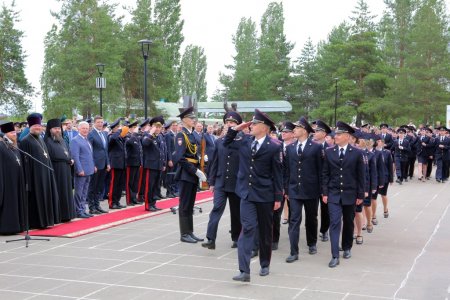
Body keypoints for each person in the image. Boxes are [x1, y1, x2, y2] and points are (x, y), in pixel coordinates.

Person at [226, 109, 283, 282]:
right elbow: (226, 142)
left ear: (264, 128)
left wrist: (278, 197)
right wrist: (236, 128)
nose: (251, 125)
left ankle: (265, 264)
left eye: (255, 123)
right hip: (246, 193)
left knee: (265, 231)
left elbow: (278, 173)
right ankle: (244, 270)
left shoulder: (274, 147)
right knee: (248, 227)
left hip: (265, 194)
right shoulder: (244, 140)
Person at [322, 121, 365, 268]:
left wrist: (360, 195)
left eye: (339, 134)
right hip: (333, 193)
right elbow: (325, 174)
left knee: (348, 221)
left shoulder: (357, 153)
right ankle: (334, 255)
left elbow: (361, 176)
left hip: (350, 193)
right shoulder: (329, 152)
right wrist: (325, 192)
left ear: (347, 136)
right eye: (336, 134)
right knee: (334, 222)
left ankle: (347, 247)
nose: (336, 136)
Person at [284, 117, 323, 263]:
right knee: (294, 220)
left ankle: (311, 243)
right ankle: (294, 251)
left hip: (311, 189)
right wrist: (286, 188)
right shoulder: (290, 148)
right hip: (294, 189)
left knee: (311, 218)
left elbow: (321, 170)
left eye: (297, 128)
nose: (294, 130)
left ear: (304, 130)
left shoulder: (316, 147)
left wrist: (321, 189)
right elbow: (286, 170)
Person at [202, 111, 243, 250]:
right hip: (220, 181)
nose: (229, 125)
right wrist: (211, 182)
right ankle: (210, 238)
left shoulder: (242, 141)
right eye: (227, 122)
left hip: (235, 182)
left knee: (236, 212)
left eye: (232, 123)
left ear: (238, 125)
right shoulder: (219, 141)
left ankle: (236, 238)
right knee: (216, 208)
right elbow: (214, 162)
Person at [20, 113, 60, 228]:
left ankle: (47, 221)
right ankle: (38, 222)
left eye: (39, 125)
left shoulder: (41, 139)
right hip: (35, 176)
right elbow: (25, 162)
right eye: (35, 126)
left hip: (46, 173)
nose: (38, 127)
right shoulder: (25, 141)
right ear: (30, 126)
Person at [173, 106, 206, 243]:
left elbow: (195, 152)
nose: (193, 120)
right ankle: (184, 234)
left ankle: (190, 232)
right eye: (191, 118)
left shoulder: (192, 134)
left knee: (190, 204)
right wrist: (195, 171)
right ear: (184, 120)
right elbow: (179, 158)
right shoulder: (181, 135)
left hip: (192, 173)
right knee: (185, 204)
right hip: (186, 174)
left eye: (194, 118)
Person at [44, 118, 76, 222]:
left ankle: (68, 215)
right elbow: (52, 156)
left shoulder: (61, 140)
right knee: (60, 192)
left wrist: (70, 159)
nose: (57, 130)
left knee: (67, 191)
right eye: (55, 128)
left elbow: (66, 151)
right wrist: (67, 159)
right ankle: (60, 215)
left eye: (59, 128)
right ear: (50, 130)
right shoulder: (47, 141)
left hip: (65, 169)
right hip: (56, 170)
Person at [0, 122, 26, 234]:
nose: (15, 134)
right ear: (5, 134)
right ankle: (8, 227)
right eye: (12, 132)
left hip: (17, 179)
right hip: (7, 180)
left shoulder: (15, 146)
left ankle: (18, 226)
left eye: (15, 132)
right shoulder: (1, 146)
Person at [70, 121, 96, 218]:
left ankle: (83, 209)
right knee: (78, 192)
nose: (85, 130)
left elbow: (90, 155)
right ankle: (78, 211)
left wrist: (93, 166)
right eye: (83, 128)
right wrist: (79, 169)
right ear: (79, 129)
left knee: (85, 192)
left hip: (89, 170)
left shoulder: (86, 139)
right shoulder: (75, 140)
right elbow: (75, 157)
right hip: (81, 171)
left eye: (87, 128)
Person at [312, 119, 332, 242]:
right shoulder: (310, 146)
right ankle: (312, 231)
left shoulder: (330, 148)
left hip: (325, 183)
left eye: (318, 130)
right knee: (312, 210)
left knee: (325, 210)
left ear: (324, 134)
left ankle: (324, 230)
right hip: (312, 183)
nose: (315, 132)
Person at [141, 116, 167, 211]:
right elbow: (145, 143)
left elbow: (163, 151)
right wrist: (151, 133)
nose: (158, 129)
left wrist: (164, 164)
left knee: (156, 185)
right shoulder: (147, 135)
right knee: (149, 185)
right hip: (150, 165)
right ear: (152, 127)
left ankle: (153, 203)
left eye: (159, 127)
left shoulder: (160, 137)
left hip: (158, 165)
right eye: (156, 126)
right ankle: (148, 204)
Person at [87, 116, 110, 214]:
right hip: (96, 165)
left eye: (101, 122)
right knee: (93, 186)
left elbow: (106, 150)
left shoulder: (104, 134)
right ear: (94, 123)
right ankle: (92, 207)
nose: (100, 124)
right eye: (98, 122)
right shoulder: (91, 134)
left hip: (104, 164)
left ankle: (97, 205)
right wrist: (93, 164)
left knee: (99, 186)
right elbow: (89, 151)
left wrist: (108, 163)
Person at [108, 119, 128, 209]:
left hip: (122, 164)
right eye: (118, 127)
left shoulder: (120, 138)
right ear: (114, 128)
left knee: (120, 184)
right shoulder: (112, 136)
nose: (120, 129)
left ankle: (117, 201)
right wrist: (120, 130)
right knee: (114, 184)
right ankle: (112, 202)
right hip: (115, 164)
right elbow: (113, 139)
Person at [125, 121, 142, 206]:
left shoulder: (136, 137)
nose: (137, 130)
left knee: (135, 181)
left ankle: (134, 198)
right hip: (130, 163)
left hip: (137, 163)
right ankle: (129, 200)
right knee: (130, 182)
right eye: (135, 128)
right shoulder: (128, 136)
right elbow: (129, 143)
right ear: (131, 128)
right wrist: (134, 134)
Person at [163, 121, 178, 198]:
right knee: (169, 175)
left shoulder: (177, 135)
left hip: (176, 158)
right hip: (171, 159)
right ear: (171, 126)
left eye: (176, 125)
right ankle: (168, 192)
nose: (175, 127)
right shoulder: (168, 135)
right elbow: (168, 148)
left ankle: (173, 190)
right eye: (173, 125)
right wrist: (169, 159)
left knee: (174, 175)